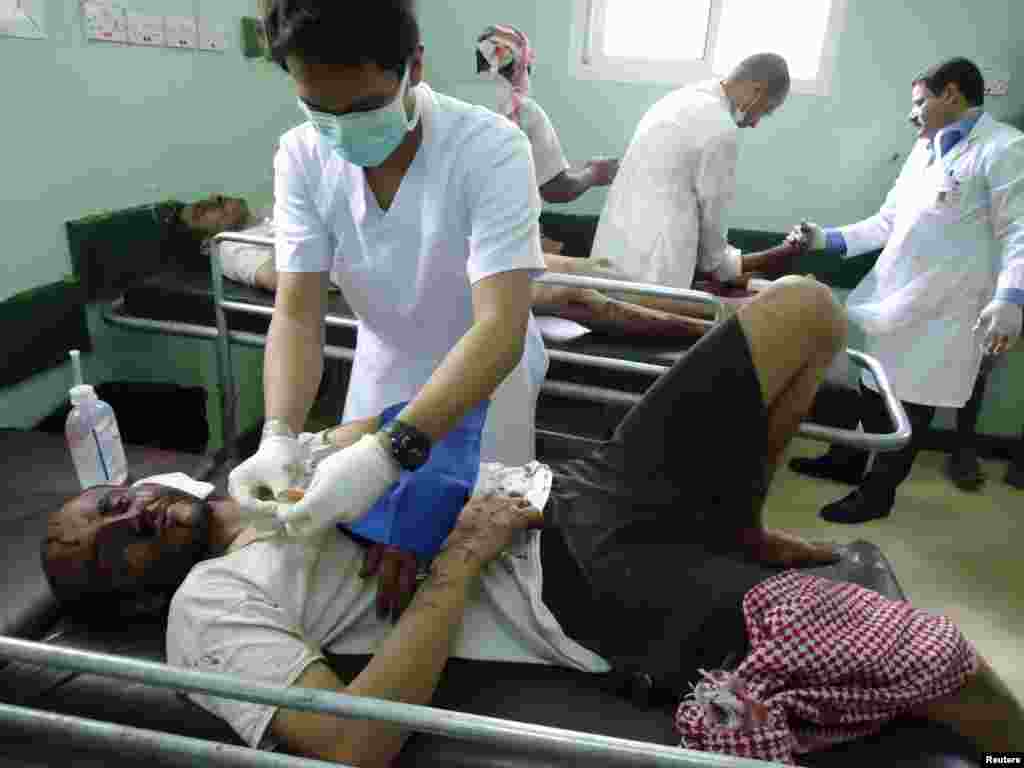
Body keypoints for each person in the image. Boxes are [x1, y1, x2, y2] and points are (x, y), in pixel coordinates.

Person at [41, 277, 1023, 765]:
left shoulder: (268, 466)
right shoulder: (207, 608)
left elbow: (421, 427)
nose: (124, 517)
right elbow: (352, 743)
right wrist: (456, 559)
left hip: (582, 485)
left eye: (103, 502)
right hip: (583, 589)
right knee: (920, 648)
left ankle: (738, 527)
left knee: (805, 310)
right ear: (129, 606)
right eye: (109, 551)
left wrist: (365, 468)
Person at [227, 0, 557, 617]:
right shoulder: (301, 155)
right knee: (367, 552)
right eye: (319, 109)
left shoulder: (489, 148)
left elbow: (500, 327)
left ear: (415, 68)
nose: (341, 130)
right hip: (384, 364)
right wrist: (279, 433)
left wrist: (391, 452)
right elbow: (298, 313)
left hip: (489, 373)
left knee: (477, 561)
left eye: (362, 109)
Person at [788, 57, 1024, 523]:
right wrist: (826, 238)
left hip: (949, 306)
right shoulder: (925, 149)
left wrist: (1011, 297)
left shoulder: (1003, 148)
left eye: (920, 102)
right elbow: (886, 222)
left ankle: (878, 495)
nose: (912, 113)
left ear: (951, 94)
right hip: (898, 294)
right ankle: (848, 459)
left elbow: (1020, 228)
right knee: (874, 384)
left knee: (910, 403)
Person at [590, 53, 797, 292]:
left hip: (612, 247)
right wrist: (780, 253)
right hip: (653, 266)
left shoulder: (678, 100)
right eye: (766, 110)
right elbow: (713, 237)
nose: (755, 123)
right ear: (757, 91)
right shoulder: (720, 128)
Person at [473, 24, 620, 205]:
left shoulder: (452, 102)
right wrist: (594, 173)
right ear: (521, 66)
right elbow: (557, 190)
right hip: (504, 229)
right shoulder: (523, 111)